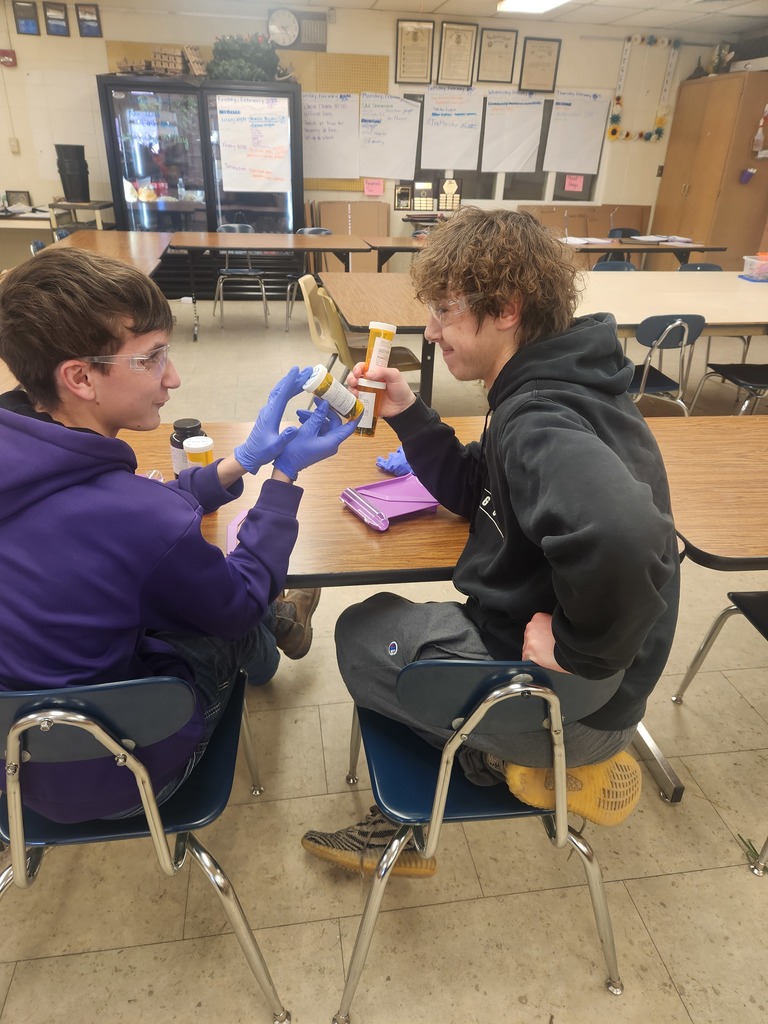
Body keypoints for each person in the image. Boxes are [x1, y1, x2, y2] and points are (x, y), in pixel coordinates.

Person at [301, 207, 680, 877]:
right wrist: (407, 411)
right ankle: (527, 752)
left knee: (359, 634)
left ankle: (505, 761)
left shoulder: (537, 418)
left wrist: (578, 651)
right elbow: (478, 484)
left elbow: (627, 535)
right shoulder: (559, 381)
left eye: (445, 312)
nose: (431, 331)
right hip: (606, 689)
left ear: (506, 309)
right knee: (393, 628)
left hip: (577, 706)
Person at [0, 246, 357, 822]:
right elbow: (233, 598)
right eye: (151, 358)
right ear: (80, 377)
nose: (174, 377)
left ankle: (282, 625)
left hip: (15, 766)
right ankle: (278, 636)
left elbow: (128, 517)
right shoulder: (138, 518)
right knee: (230, 616)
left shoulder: (26, 447)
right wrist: (284, 478)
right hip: (122, 771)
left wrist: (239, 462)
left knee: (174, 587)